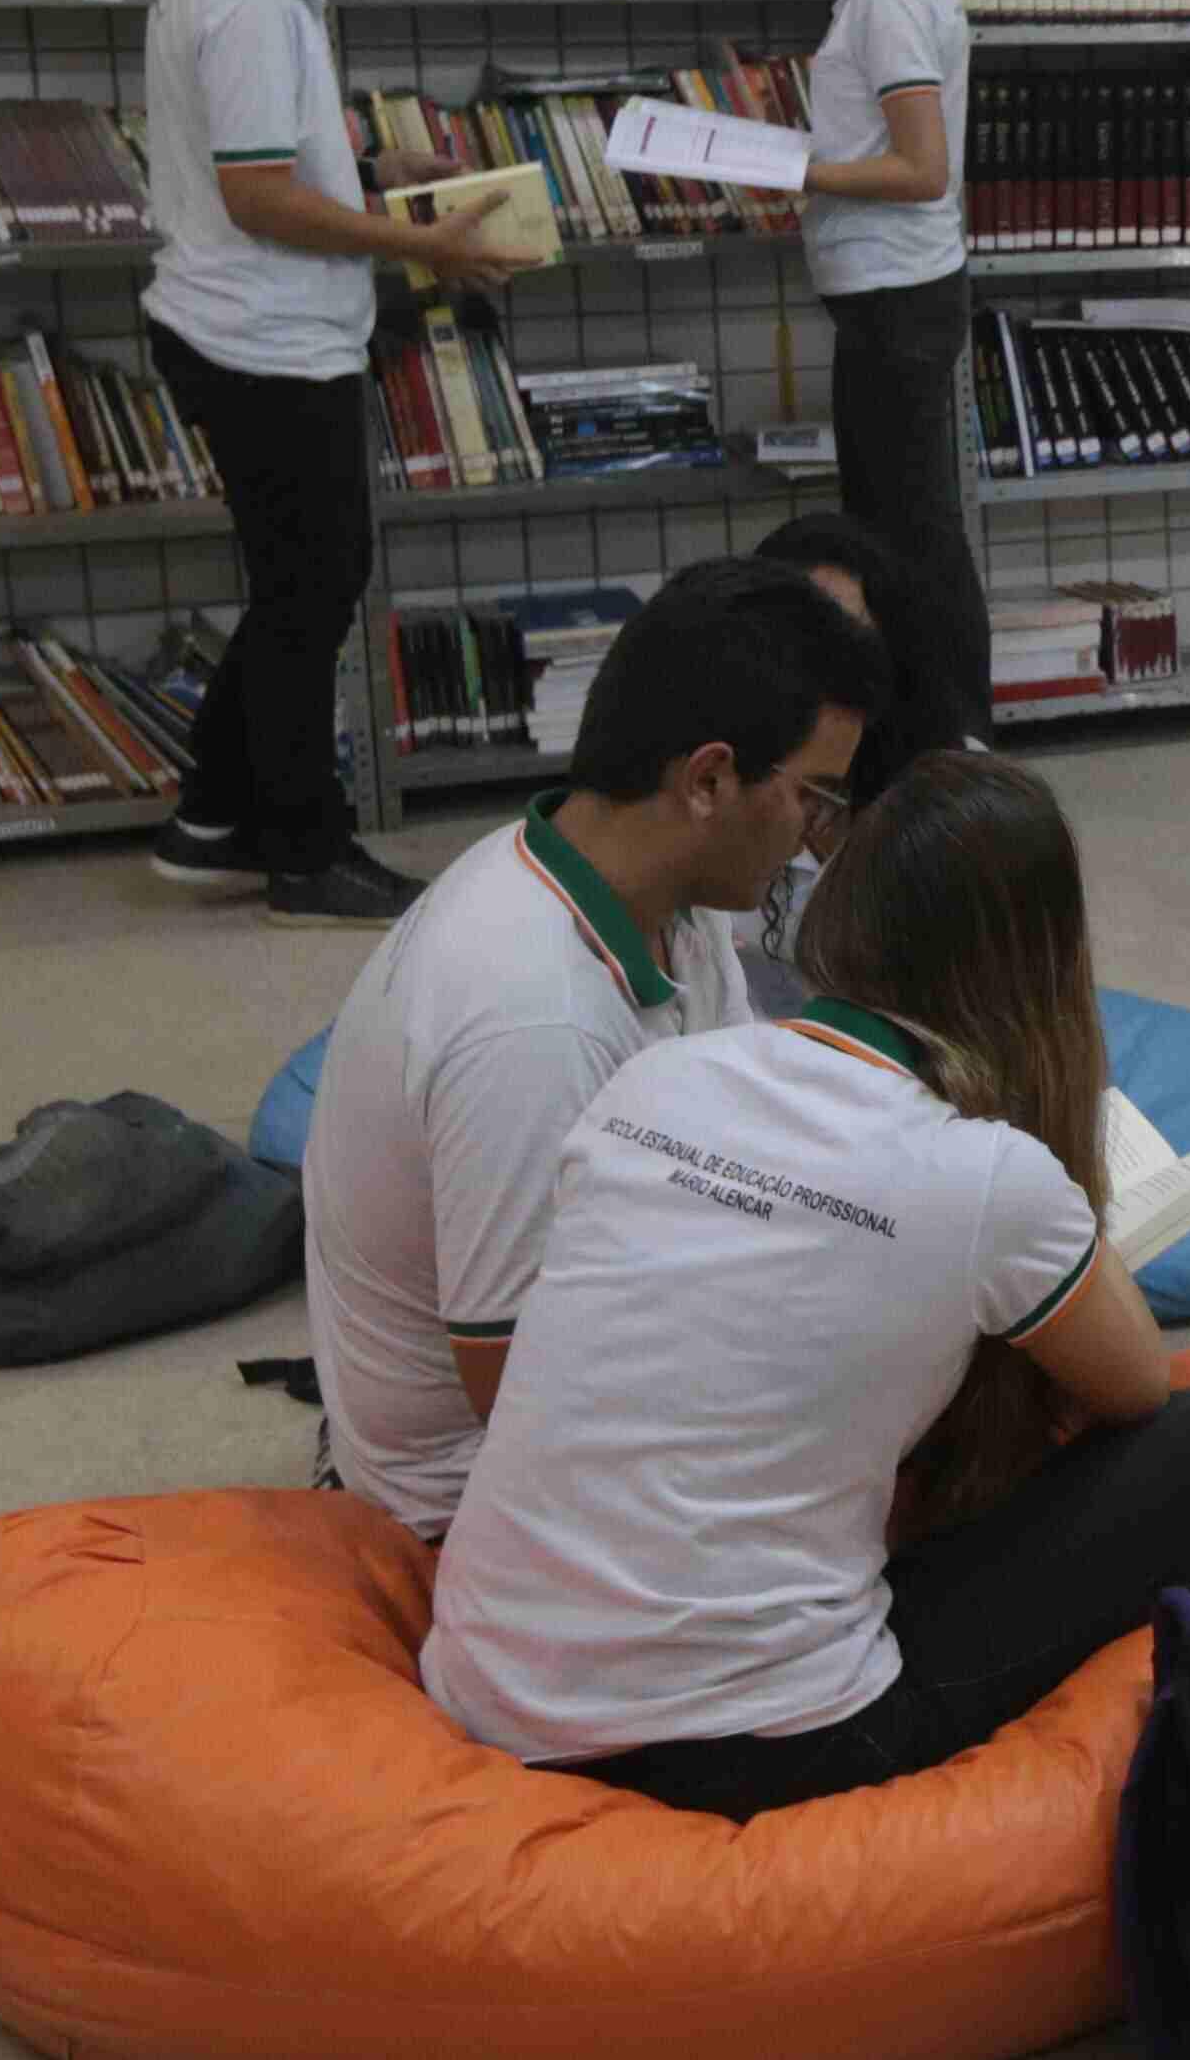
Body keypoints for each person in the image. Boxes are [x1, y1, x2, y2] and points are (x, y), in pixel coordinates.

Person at [423, 750, 1190, 1818]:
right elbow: (1138, 1388)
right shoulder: (987, 1174)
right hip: (755, 1744)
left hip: (487, 1684)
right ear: (1038, 967)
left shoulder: (658, 1076)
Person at [300, 558, 887, 1543]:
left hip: (622, 1359)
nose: (811, 839)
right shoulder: (535, 1026)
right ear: (708, 779)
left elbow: (747, 1136)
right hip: (483, 1513)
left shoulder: (661, 893)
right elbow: (526, 1400)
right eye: (813, 798)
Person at [139, 0, 528, 924]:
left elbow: (264, 158)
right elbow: (259, 199)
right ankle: (305, 852)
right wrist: (425, 245)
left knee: (303, 585)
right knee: (310, 593)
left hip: (258, 322)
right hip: (261, 335)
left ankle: (215, 817)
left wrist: (367, 170)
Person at [744, 0, 989, 753]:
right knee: (902, 530)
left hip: (898, 297)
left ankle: (953, 745)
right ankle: (938, 741)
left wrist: (793, 166)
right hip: (892, 292)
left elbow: (923, 168)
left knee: (907, 542)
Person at [735, 507, 942, 1009]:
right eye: (796, 633)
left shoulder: (952, 792)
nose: (823, 662)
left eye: (846, 633)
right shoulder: (718, 792)